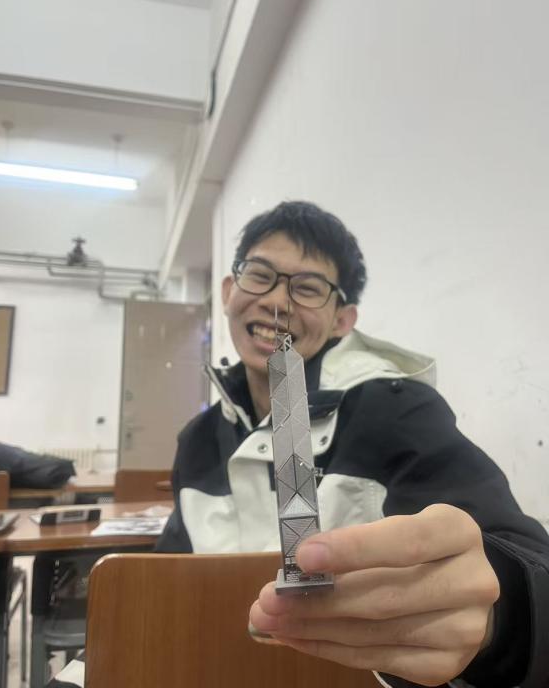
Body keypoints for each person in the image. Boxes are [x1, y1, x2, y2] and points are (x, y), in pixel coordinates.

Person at [157, 200, 549, 688]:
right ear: (228, 290)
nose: (277, 301)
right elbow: (161, 584)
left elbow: (527, 562)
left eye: (307, 288)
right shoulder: (197, 439)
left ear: (343, 319)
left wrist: (503, 615)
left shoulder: (396, 409)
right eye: (259, 275)